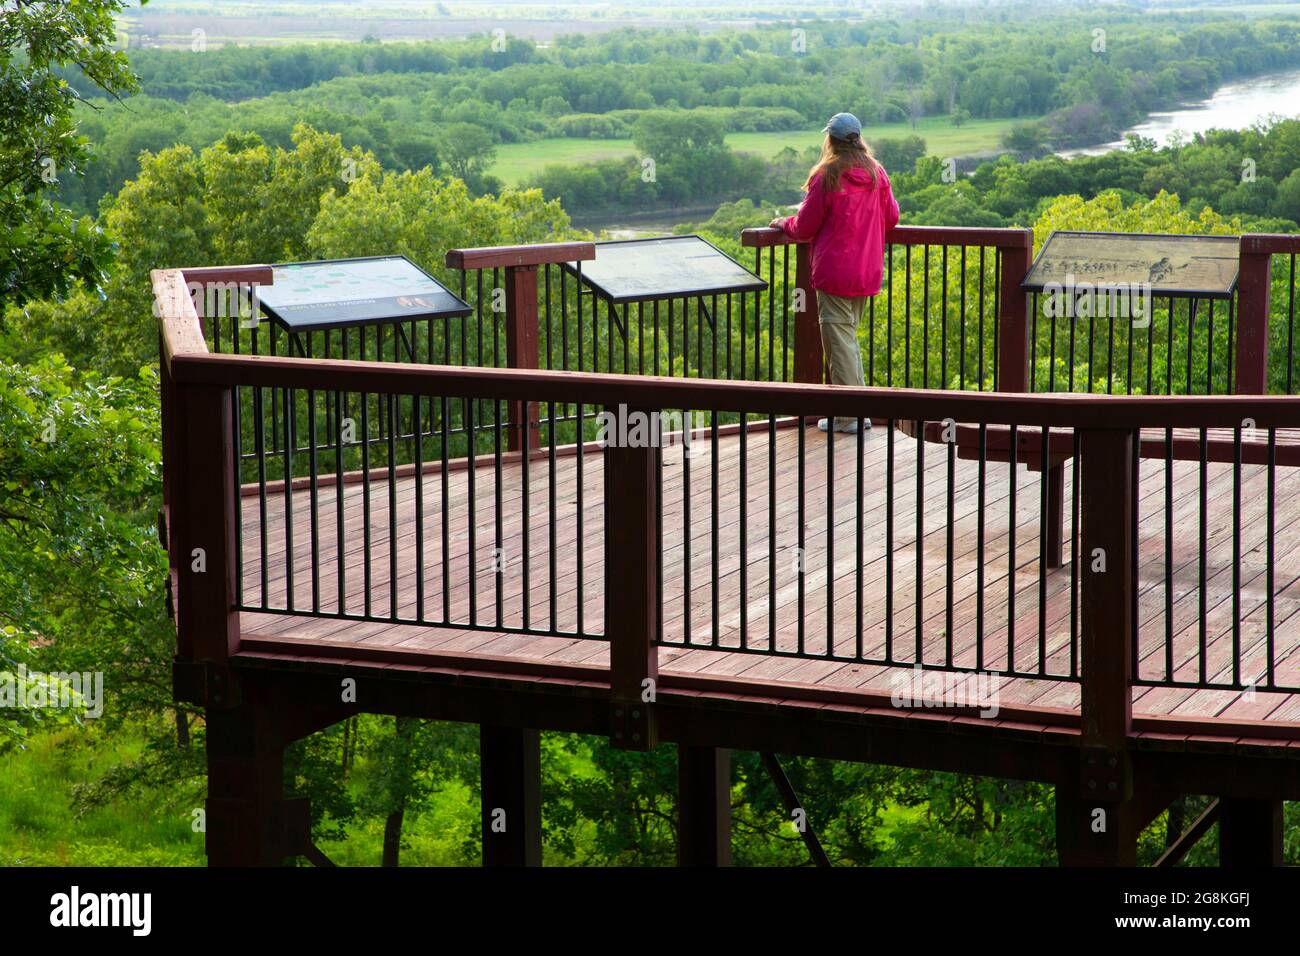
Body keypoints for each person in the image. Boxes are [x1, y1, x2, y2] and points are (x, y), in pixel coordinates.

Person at [770, 112, 899, 433]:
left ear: (831, 140)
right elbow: (892, 218)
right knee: (847, 340)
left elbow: (805, 227)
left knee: (840, 344)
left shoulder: (827, 176)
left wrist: (784, 223)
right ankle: (858, 412)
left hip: (834, 271)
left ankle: (851, 417)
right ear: (858, 137)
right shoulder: (876, 173)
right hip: (867, 271)